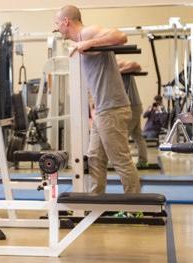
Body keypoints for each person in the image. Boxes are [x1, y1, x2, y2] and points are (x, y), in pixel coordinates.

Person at [54, 5, 141, 194]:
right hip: (102, 110)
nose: (57, 28)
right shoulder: (80, 40)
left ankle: (135, 207)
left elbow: (120, 36)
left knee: (120, 159)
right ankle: (96, 201)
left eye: (57, 24)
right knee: (94, 157)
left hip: (113, 109)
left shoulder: (88, 32)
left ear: (66, 22)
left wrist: (88, 43)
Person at [117, 59, 148, 168]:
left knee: (123, 136)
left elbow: (137, 65)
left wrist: (118, 70)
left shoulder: (117, 66)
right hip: (135, 105)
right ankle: (143, 160)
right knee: (137, 135)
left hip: (132, 106)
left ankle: (125, 163)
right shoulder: (110, 71)